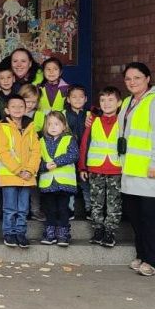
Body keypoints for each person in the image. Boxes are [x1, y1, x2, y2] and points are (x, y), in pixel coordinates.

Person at [117, 62, 155, 277]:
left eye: (137, 78)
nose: (132, 82)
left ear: (148, 78)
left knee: (151, 217)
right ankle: (141, 255)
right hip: (131, 169)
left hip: (151, 171)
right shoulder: (128, 101)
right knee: (136, 216)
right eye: (128, 79)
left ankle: (153, 260)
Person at [0, 96, 40, 249]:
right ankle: (9, 233)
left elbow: (36, 151)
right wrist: (18, 170)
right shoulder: (2, 127)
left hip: (27, 176)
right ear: (7, 110)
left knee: (23, 208)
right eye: (13, 106)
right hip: (10, 175)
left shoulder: (30, 127)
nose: (17, 108)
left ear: (26, 108)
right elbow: (2, 152)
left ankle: (21, 232)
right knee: (10, 208)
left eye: (21, 105)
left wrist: (30, 170)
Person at [82, 87, 122, 248]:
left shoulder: (123, 121)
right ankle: (98, 230)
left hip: (116, 168)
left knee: (114, 202)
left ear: (119, 102)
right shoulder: (93, 121)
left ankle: (110, 232)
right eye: (103, 100)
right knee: (96, 202)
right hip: (95, 168)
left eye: (111, 99)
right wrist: (82, 167)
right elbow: (85, 144)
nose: (106, 103)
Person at [38, 111, 79, 246]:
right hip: (48, 183)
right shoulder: (41, 141)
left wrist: (57, 162)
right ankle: (50, 232)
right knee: (49, 209)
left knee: (63, 208)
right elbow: (37, 160)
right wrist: (44, 166)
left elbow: (73, 155)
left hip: (64, 184)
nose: (53, 127)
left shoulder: (69, 138)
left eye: (56, 124)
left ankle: (63, 233)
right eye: (49, 124)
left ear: (64, 125)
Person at [63, 85, 91, 220]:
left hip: (85, 155)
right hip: (68, 155)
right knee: (69, 183)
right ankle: (70, 209)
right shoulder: (62, 115)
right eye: (74, 97)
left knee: (86, 183)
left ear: (86, 99)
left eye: (81, 97)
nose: (77, 99)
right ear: (68, 99)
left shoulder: (90, 115)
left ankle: (89, 209)